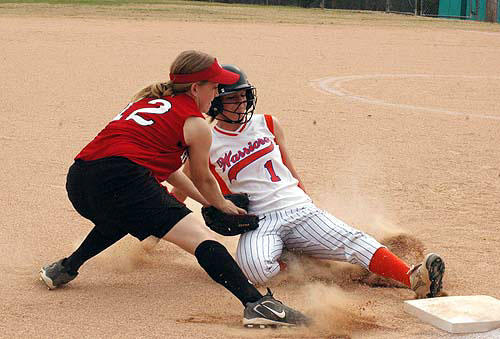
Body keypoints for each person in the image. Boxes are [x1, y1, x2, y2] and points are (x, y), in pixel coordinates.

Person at [39, 51, 309, 328]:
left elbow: (169, 171)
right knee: (203, 240)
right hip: (124, 180)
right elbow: (204, 178)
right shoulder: (196, 125)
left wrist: (209, 201)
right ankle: (256, 304)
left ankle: (64, 268)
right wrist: (221, 204)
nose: (217, 93)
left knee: (126, 214)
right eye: (214, 86)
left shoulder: (148, 102)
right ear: (195, 88)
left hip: (79, 181)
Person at [171, 64, 446, 300]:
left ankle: (415, 280)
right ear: (216, 101)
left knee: (356, 241)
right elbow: (184, 179)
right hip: (257, 220)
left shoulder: (267, 123)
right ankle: (299, 261)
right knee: (254, 270)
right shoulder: (206, 138)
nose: (242, 103)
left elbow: (291, 171)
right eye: (233, 98)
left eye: (244, 96)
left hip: (297, 207)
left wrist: (309, 205)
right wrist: (164, 222)